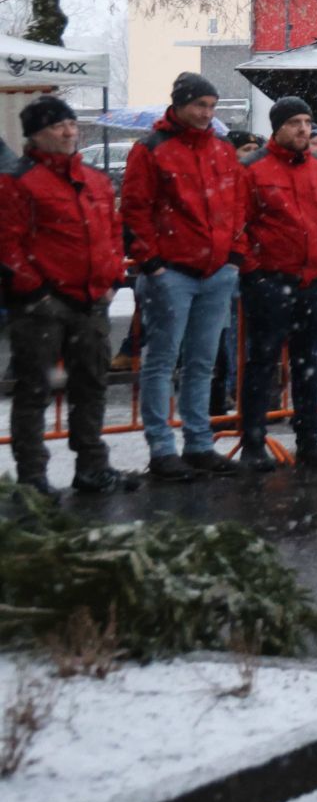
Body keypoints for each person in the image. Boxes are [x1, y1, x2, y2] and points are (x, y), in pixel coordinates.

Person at [123, 72, 248, 483]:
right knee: (163, 361)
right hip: (173, 270)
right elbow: (136, 209)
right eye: (200, 106)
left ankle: (197, 443)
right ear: (179, 105)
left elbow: (236, 205)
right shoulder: (152, 150)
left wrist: (232, 255)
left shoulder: (220, 149)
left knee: (201, 362)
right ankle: (162, 448)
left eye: (211, 107)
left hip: (213, 271)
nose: (207, 114)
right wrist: (152, 261)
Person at [0, 97, 128, 495]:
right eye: (59, 126)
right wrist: (36, 293)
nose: (70, 132)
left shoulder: (96, 180)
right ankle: (33, 476)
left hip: (90, 301)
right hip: (43, 305)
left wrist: (111, 280)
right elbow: (8, 244)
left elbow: (111, 232)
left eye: (72, 124)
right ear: (37, 134)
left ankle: (92, 465)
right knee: (33, 389)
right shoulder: (17, 182)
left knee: (91, 385)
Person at [242, 96, 317, 471]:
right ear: (277, 127)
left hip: (313, 281)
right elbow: (237, 224)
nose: (302, 129)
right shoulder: (253, 169)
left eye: (307, 122)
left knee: (307, 362)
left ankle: (308, 440)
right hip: (270, 280)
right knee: (262, 363)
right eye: (294, 122)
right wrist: (253, 271)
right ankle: (253, 442)